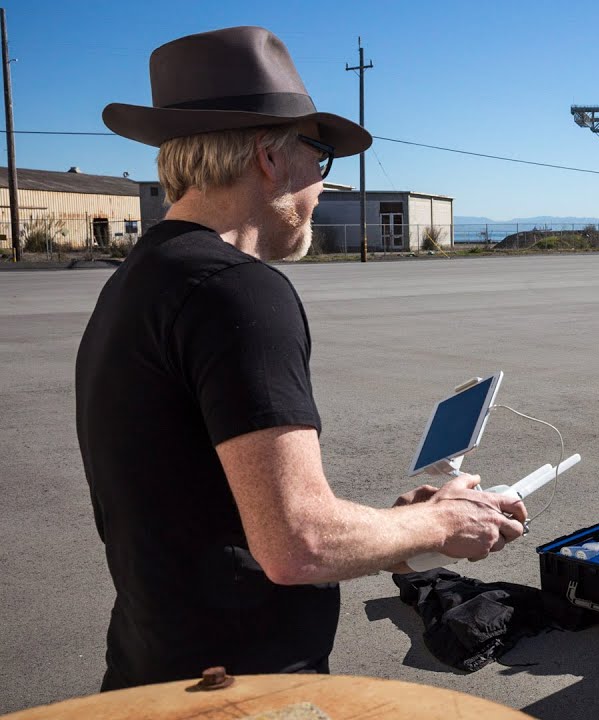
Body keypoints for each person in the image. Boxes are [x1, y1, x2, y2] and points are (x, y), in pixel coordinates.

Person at [76, 26, 526, 691]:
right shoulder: (238, 291)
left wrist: (401, 525)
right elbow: (297, 544)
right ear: (268, 157)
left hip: (154, 667)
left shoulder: (140, 277)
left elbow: (221, 508)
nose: (321, 184)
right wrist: (441, 521)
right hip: (242, 688)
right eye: (319, 155)